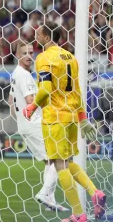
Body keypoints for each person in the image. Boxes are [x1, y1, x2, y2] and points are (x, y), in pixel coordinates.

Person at [23, 21, 105, 222]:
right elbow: (76, 90)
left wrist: (32, 107)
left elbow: (45, 89)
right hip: (71, 117)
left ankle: (78, 214)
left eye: (39, 33)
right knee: (67, 162)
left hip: (54, 118)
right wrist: (82, 117)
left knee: (59, 165)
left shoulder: (43, 58)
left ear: (47, 37)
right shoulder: (70, 57)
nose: (36, 36)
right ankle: (95, 192)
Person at [9, 40, 68, 212]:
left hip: (26, 124)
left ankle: (49, 201)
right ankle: (44, 193)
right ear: (17, 55)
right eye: (25, 53)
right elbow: (30, 100)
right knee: (59, 158)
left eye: (31, 52)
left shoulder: (16, 73)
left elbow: (10, 100)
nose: (29, 56)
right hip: (34, 123)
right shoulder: (25, 76)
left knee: (49, 161)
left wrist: (20, 119)